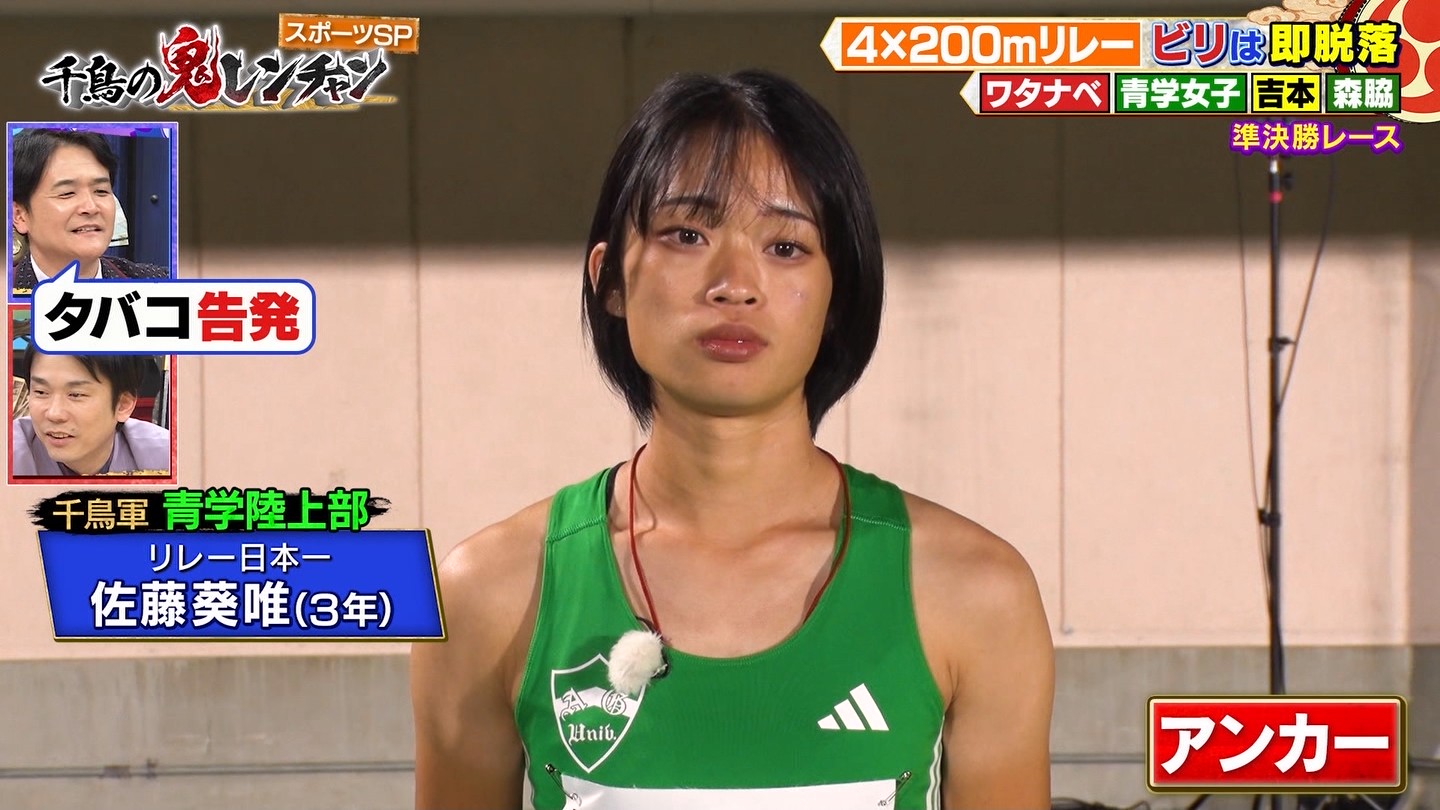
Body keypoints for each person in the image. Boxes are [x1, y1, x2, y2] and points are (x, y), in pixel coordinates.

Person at [411, 70, 1054, 809]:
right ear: (610, 279)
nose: (735, 284)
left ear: (838, 297)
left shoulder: (974, 591)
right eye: (687, 235)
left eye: (786, 246)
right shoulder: (486, 593)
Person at [10, 128, 168, 296]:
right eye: (67, 193)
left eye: (101, 191)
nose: (91, 207)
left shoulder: (161, 287)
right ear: (19, 215)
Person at [11, 344, 169, 476]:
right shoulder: (9, 454)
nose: (54, 414)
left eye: (76, 394)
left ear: (122, 405)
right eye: (41, 392)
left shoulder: (168, 457)